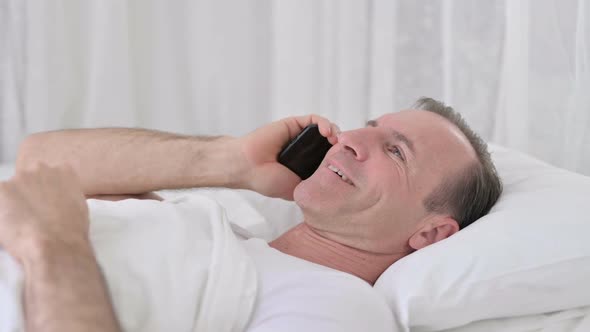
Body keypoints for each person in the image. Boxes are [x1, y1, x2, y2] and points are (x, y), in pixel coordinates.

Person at [0, 97, 502, 331]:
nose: (349, 139)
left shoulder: (340, 309)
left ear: (431, 232)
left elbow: (47, 212)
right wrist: (233, 161)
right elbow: (40, 164)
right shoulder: (227, 232)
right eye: (367, 127)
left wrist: (55, 249)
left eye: (396, 152)